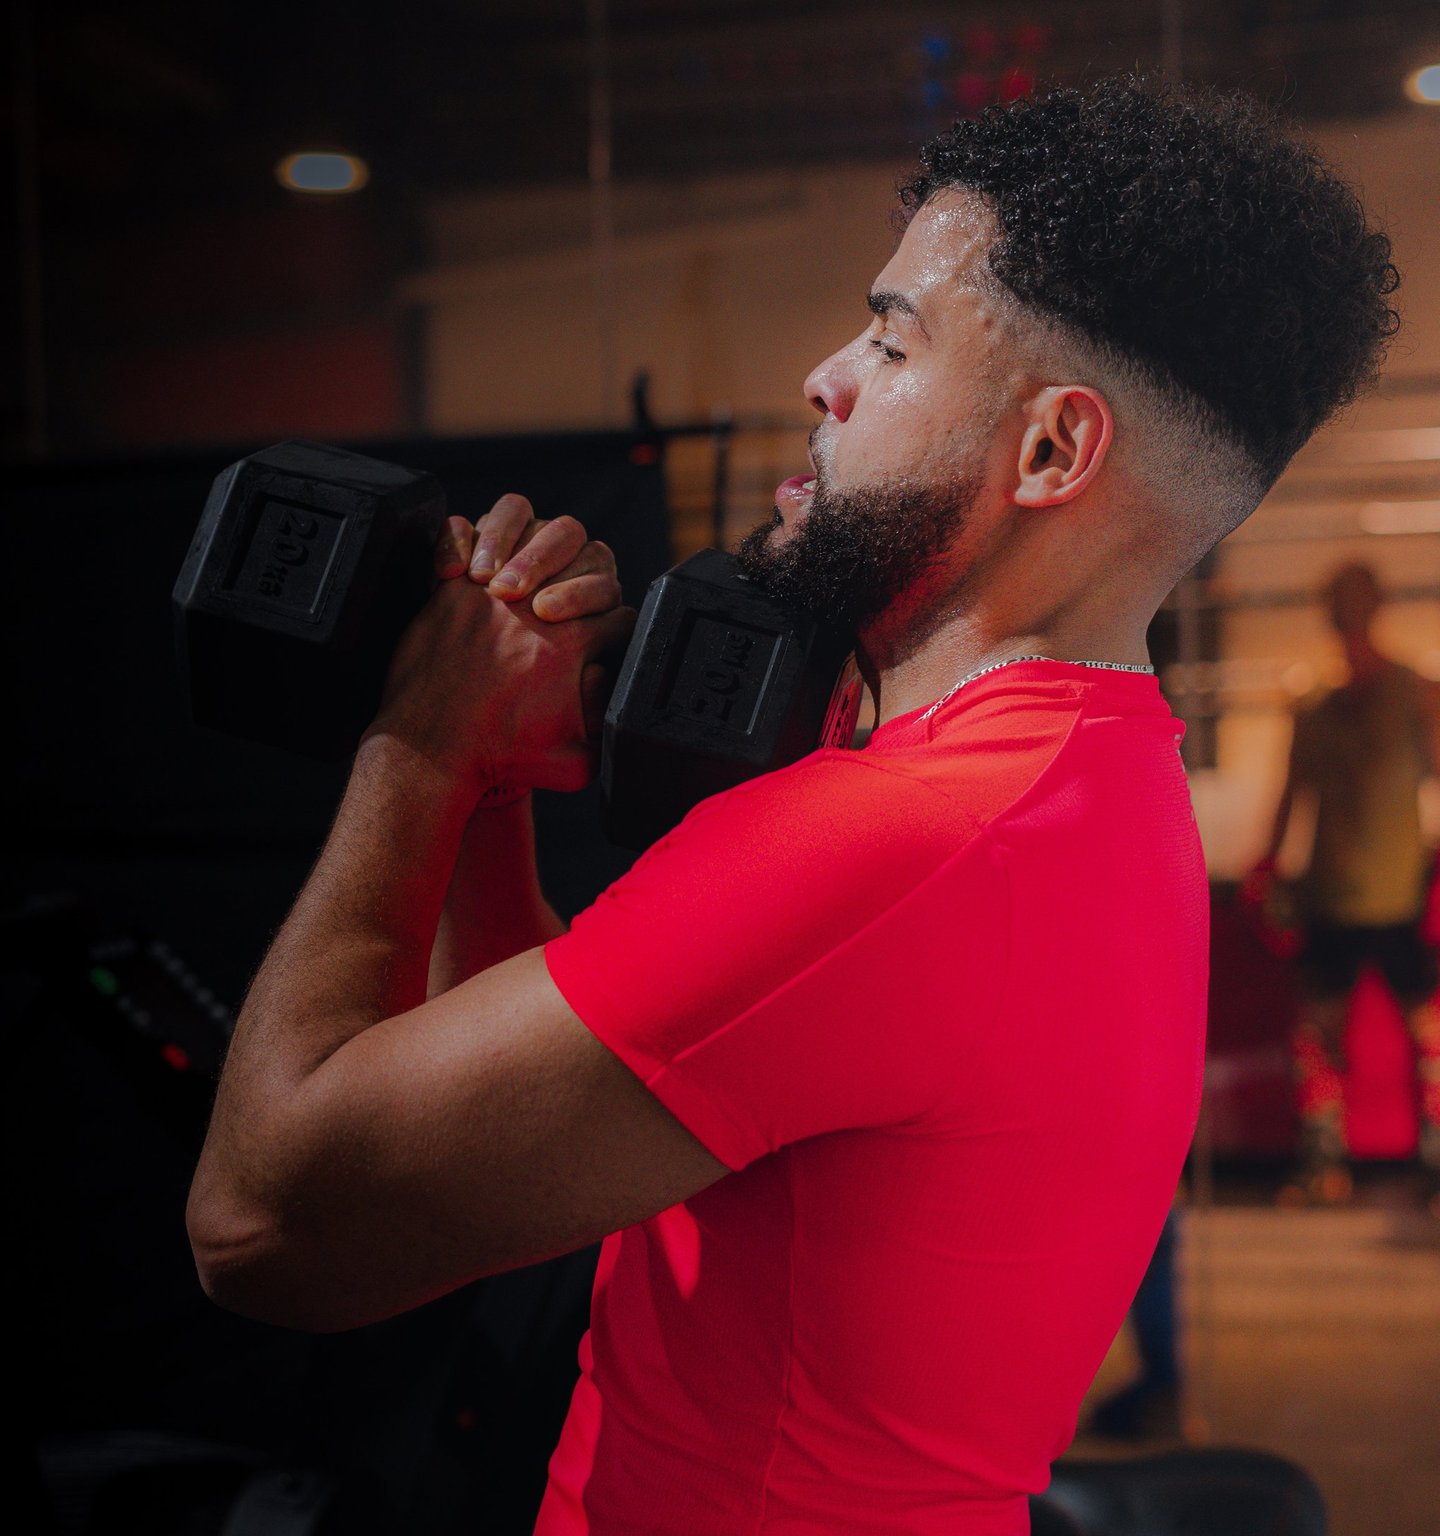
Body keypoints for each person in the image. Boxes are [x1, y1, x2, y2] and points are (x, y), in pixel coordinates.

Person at [187, 78, 1399, 1533]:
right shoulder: (1081, 779)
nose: (828, 375)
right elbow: (520, 1139)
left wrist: (420, 746)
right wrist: (492, 778)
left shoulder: (896, 847)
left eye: (892, 340)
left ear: (1052, 453)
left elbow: (267, 1227)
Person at [1255, 561, 1439, 1206]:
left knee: (1428, 1033)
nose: (1346, 611)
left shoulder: (1415, 691)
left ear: (1377, 603)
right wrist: (1268, 867)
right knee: (1318, 1037)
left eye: (1355, 598)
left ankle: (1435, 1165)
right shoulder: (1314, 705)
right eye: (1337, 599)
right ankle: (1323, 1167)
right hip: (1328, 893)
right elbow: (1292, 793)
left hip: (1399, 893)